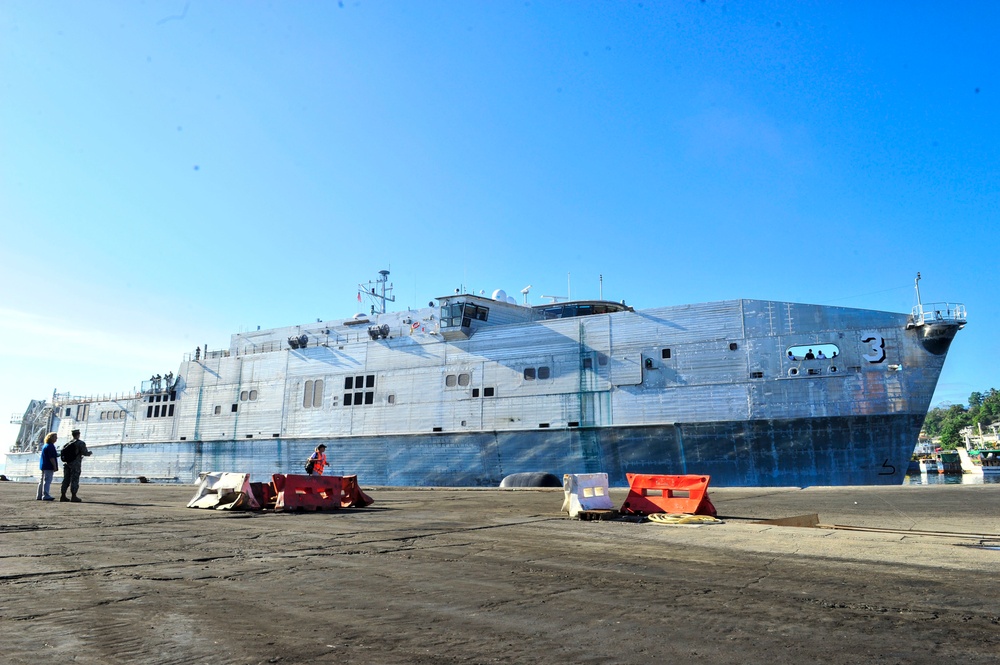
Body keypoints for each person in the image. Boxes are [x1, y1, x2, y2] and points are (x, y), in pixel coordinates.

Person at [60, 429, 92, 502]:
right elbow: (85, 453)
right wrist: (89, 453)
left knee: (66, 480)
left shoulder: (67, 444)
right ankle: (74, 496)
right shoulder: (80, 443)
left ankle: (63, 495)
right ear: (78, 434)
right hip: (75, 464)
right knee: (74, 479)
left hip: (67, 464)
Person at [37, 432, 59, 501]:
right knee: (47, 481)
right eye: (55, 437)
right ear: (51, 438)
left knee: (42, 481)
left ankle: (39, 495)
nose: (56, 439)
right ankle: (46, 495)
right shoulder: (51, 446)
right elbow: (51, 457)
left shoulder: (45, 445)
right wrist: (54, 466)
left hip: (43, 465)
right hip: (48, 466)